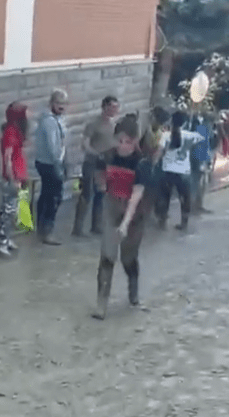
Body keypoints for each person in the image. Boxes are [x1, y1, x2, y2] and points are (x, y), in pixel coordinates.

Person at [92, 116, 151, 320]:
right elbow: (99, 179)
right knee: (107, 257)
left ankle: (133, 291)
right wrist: (101, 185)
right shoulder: (105, 157)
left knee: (128, 258)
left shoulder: (142, 163)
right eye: (120, 141)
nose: (123, 146)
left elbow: (136, 196)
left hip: (135, 215)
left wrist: (125, 223)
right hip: (111, 207)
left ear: (135, 141)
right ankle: (101, 304)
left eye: (128, 142)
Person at [72, 95, 120, 237]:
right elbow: (85, 143)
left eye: (116, 107)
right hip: (92, 162)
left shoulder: (114, 125)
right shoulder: (94, 124)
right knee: (87, 194)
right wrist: (95, 153)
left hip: (106, 164)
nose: (114, 110)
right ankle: (78, 228)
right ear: (104, 107)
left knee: (101, 194)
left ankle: (96, 225)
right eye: (112, 107)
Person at [155, 110, 204, 231]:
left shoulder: (166, 135)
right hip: (183, 172)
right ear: (185, 122)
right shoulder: (190, 135)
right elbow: (202, 137)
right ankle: (184, 223)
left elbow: (159, 152)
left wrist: (154, 163)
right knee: (184, 198)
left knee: (165, 197)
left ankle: (162, 222)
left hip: (167, 170)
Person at [34, 89, 69, 245]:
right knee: (54, 197)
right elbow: (53, 147)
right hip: (50, 163)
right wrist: (59, 166)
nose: (61, 106)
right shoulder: (50, 121)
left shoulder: (57, 118)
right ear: (51, 103)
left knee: (46, 194)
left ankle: (41, 227)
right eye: (58, 103)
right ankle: (46, 231)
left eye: (63, 103)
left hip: (48, 162)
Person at [0, 102, 28, 258]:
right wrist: (12, 178)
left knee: (13, 210)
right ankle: (3, 243)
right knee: (7, 211)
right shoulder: (10, 132)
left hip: (18, 175)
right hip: (12, 177)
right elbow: (7, 158)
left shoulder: (15, 130)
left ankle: (8, 240)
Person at [188, 111, 215, 215]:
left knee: (198, 182)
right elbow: (204, 145)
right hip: (200, 158)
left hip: (198, 157)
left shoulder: (199, 128)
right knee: (197, 182)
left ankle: (195, 205)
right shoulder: (204, 129)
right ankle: (194, 205)